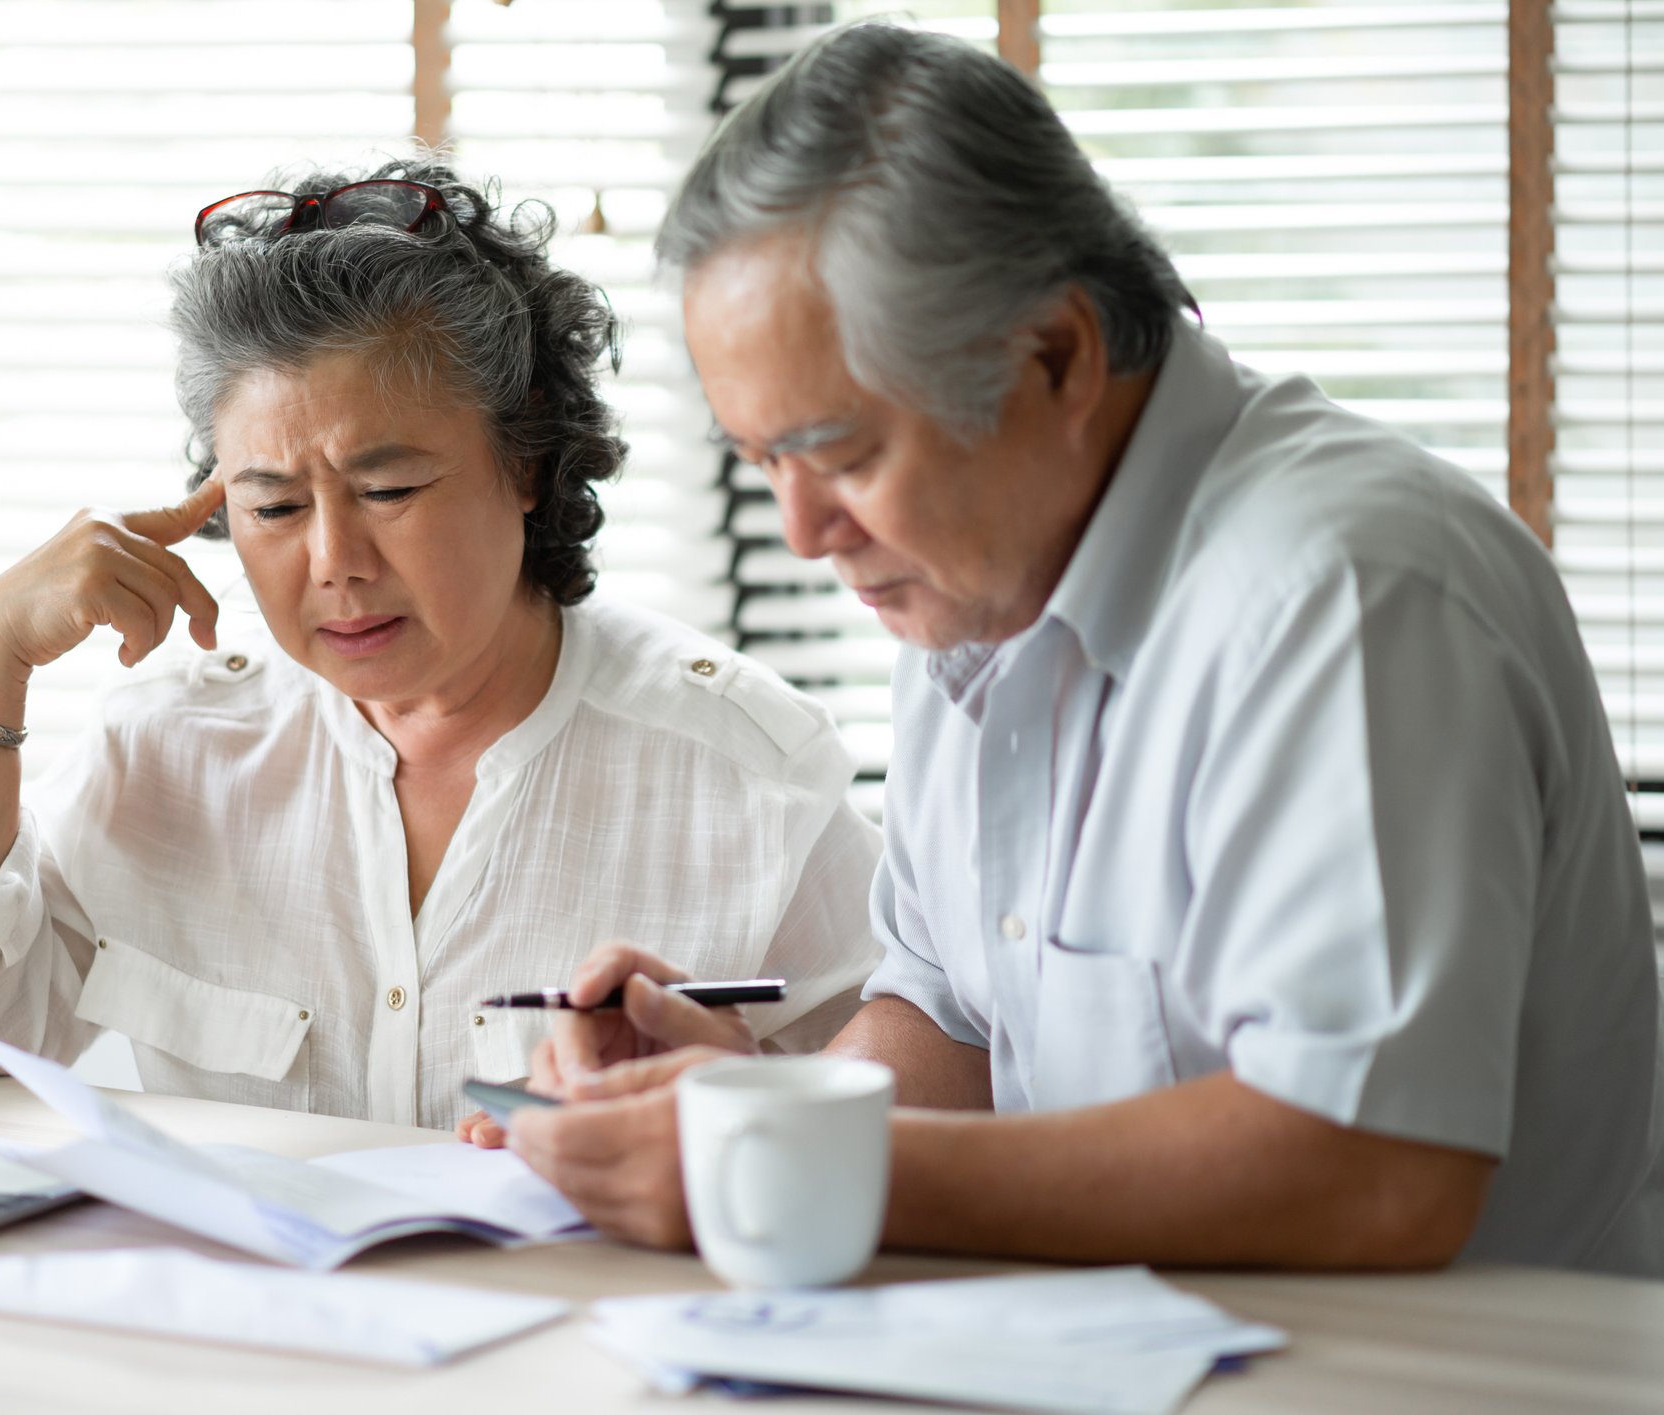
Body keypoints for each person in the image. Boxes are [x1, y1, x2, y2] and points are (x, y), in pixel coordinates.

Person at [495, 25, 1664, 1276]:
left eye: (840, 453)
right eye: (763, 461)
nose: (802, 532)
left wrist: (788, 1166)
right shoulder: (973, 578)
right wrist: (754, 1110)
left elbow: (1375, 1169)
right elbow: (955, 1022)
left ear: (1055, 354)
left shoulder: (1348, 593)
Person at [0, 159, 882, 1130]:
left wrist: (733, 1103)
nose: (334, 560)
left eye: (387, 490)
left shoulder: (750, 776)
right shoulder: (161, 755)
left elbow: (913, 1109)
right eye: (275, 505)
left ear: (524, 463)